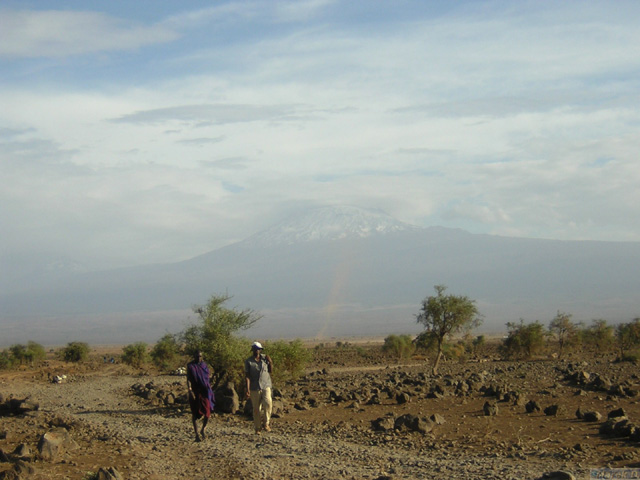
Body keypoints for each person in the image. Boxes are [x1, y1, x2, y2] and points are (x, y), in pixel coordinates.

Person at [244, 341, 273, 434]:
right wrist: (247, 389)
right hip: (254, 387)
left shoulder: (265, 359)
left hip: (266, 385)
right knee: (256, 408)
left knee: (268, 403)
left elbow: (270, 371)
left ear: (260, 350)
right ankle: (257, 428)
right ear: (253, 350)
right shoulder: (248, 361)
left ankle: (266, 423)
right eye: (255, 349)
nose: (257, 351)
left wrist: (270, 362)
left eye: (258, 349)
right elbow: (247, 376)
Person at [186, 350, 215, 442]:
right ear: (194, 356)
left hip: (205, 391)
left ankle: (203, 429)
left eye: (200, 356)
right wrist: (190, 390)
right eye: (197, 356)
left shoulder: (204, 366)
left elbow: (207, 377)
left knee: (207, 412)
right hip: (196, 391)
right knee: (195, 413)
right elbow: (188, 379)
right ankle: (196, 434)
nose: (199, 358)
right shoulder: (191, 366)